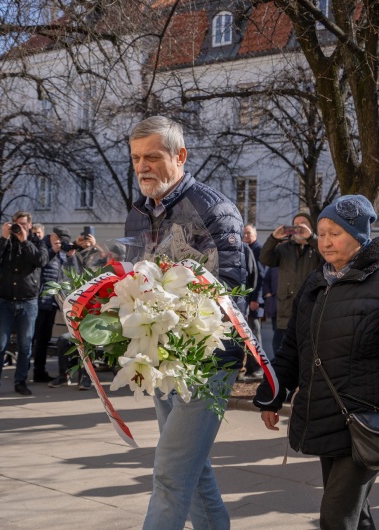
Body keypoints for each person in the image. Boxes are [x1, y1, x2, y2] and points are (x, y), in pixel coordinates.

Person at [255, 195, 379, 530]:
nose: (325, 241)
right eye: (321, 233)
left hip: (368, 421)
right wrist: (273, 393)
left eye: (334, 233)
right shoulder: (317, 281)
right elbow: (293, 347)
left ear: (359, 236)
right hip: (328, 415)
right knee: (356, 514)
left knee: (336, 517)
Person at [124, 116, 246, 530]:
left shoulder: (213, 209)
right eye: (137, 157)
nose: (143, 167)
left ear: (180, 156)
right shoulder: (138, 213)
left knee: (171, 473)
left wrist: (166, 304)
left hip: (207, 358)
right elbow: (131, 278)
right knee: (192, 471)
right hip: (161, 357)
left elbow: (229, 285)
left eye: (153, 157)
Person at [0, 211, 49, 397]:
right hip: (5, 301)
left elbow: (41, 261)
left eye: (23, 224)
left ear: (29, 225)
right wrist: (4, 238)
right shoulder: (5, 243)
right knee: (0, 345)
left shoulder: (37, 243)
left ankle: (20, 381)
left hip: (28, 302)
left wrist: (24, 241)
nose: (19, 227)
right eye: (16, 224)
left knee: (25, 345)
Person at [259, 212, 323, 358]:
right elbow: (265, 258)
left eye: (303, 223)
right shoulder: (284, 248)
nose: (299, 226)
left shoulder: (317, 247)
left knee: (307, 355)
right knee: (282, 353)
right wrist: (274, 238)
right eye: (296, 223)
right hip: (285, 311)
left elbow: (327, 257)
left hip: (310, 310)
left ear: (311, 227)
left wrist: (311, 238)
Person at [31, 226, 75, 383]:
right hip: (38, 301)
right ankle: (26, 373)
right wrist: (52, 251)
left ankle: (39, 372)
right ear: (52, 236)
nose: (60, 243)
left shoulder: (61, 254)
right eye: (58, 239)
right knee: (32, 339)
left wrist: (71, 256)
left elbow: (69, 274)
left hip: (51, 303)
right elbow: (38, 265)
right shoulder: (42, 246)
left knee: (44, 339)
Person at [241, 224, 266, 376]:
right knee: (247, 335)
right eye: (243, 233)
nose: (245, 236)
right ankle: (251, 367)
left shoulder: (258, 250)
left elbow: (261, 276)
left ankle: (258, 368)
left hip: (254, 302)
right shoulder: (244, 249)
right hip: (247, 301)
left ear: (255, 234)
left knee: (254, 335)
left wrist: (255, 299)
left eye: (248, 233)